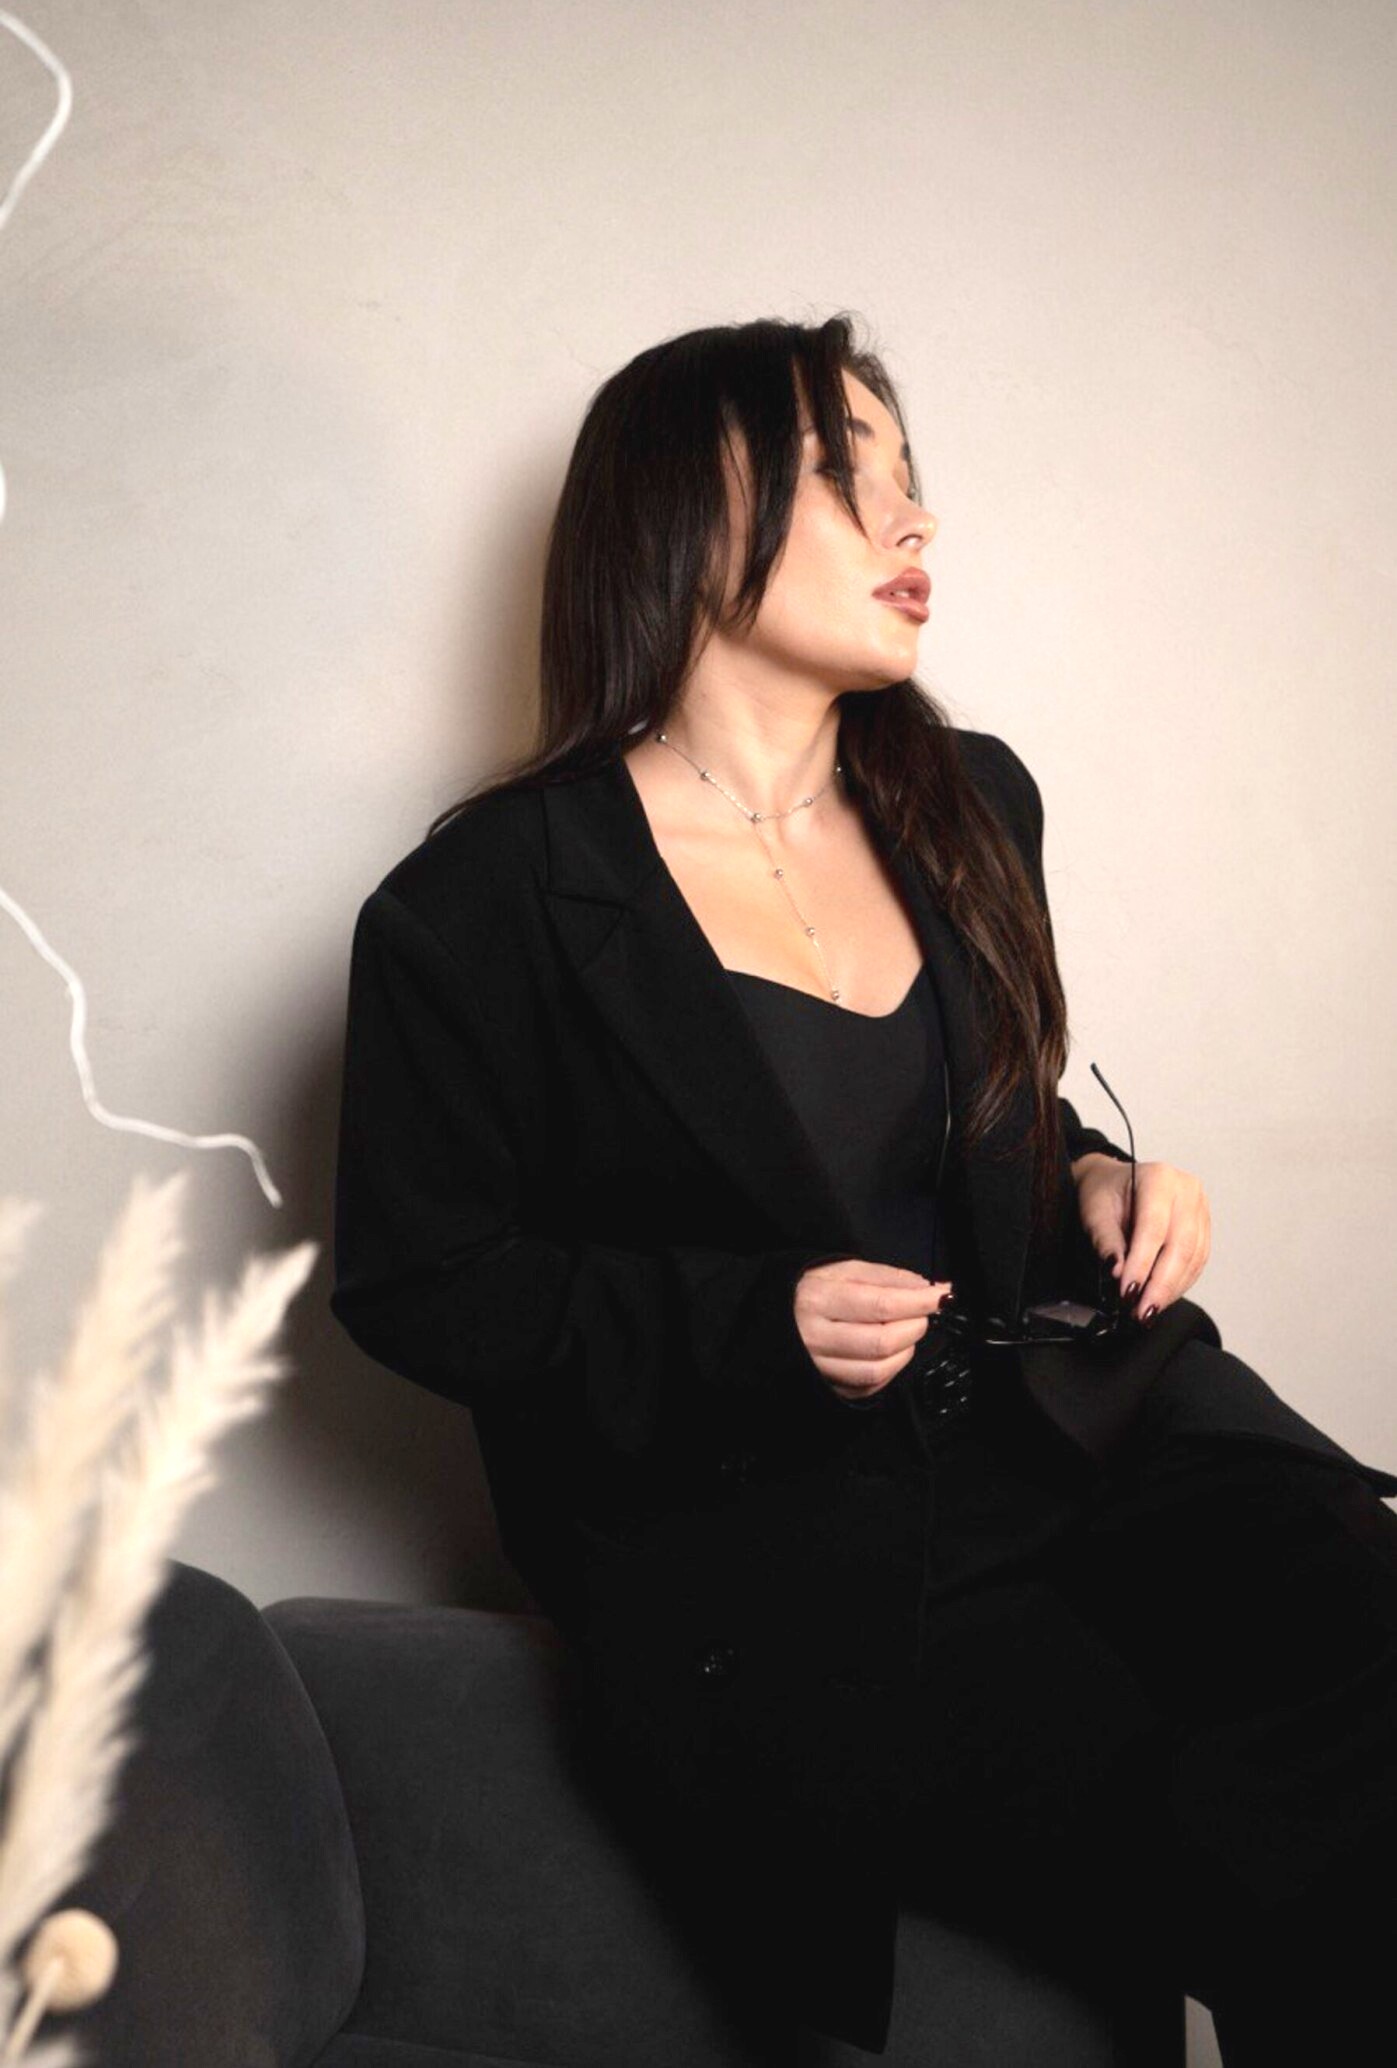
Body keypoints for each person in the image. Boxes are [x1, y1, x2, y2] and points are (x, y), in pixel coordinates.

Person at [329, 314, 1397, 2062]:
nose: (913, 521)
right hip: (788, 1532)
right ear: (686, 512)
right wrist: (752, 1321)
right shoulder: (479, 906)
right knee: (1220, 1842)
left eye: (913, 479)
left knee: (1365, 1628)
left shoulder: (973, 800)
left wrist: (1099, 1181)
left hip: (1085, 1420)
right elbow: (422, 1279)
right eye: (844, 474)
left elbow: (974, 1127)